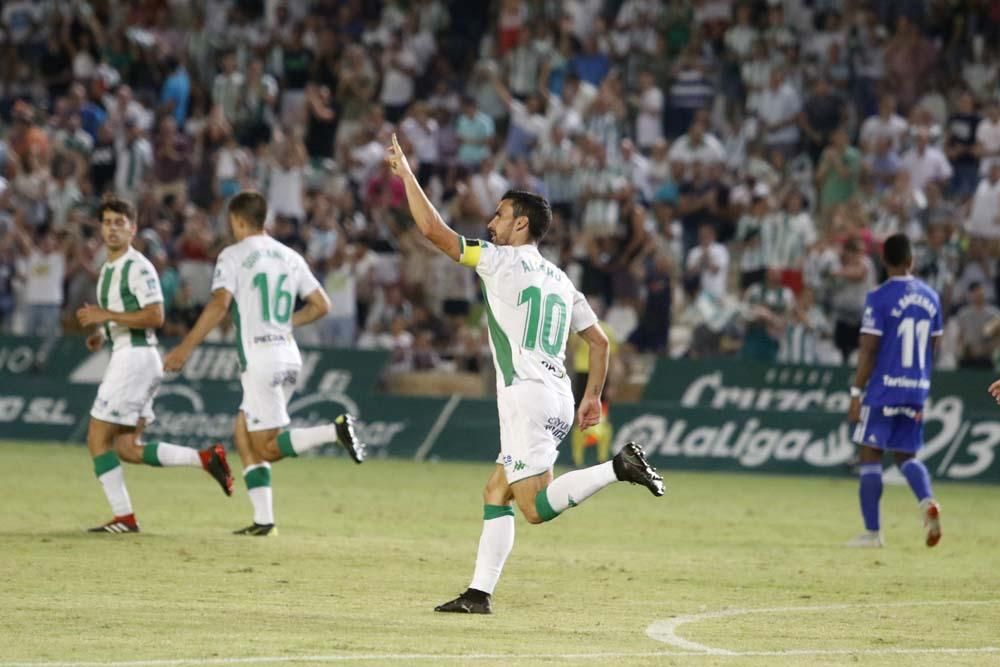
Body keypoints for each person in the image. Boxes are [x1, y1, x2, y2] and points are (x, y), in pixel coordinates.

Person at [385, 134, 663, 615]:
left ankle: (618, 467)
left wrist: (407, 175)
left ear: (522, 224)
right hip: (555, 394)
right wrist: (592, 397)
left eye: (498, 215)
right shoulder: (561, 279)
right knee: (498, 490)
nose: (490, 223)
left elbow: (433, 230)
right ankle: (478, 594)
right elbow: (598, 341)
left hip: (525, 396)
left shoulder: (498, 261)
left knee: (533, 508)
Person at [163, 192, 365, 536]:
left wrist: (185, 346)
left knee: (265, 448)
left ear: (237, 220)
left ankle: (335, 431)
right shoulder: (290, 256)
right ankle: (263, 520)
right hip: (288, 355)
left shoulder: (233, 255)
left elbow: (218, 305)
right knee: (243, 431)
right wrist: (287, 323)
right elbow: (321, 305)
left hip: (260, 360)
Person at [75, 197, 234, 534]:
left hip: (134, 360)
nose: (113, 228)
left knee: (96, 437)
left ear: (133, 228)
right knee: (127, 448)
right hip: (129, 355)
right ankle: (206, 459)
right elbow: (124, 317)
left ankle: (124, 518)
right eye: (107, 222)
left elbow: (155, 315)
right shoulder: (108, 270)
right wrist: (102, 335)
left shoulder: (138, 266)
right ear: (101, 228)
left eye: (120, 222)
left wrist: (106, 316)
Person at [846, 233, 943, 549]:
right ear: (911, 260)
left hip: (884, 389)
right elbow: (934, 346)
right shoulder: (932, 297)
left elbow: (869, 349)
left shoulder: (879, 297)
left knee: (870, 454)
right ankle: (927, 501)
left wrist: (856, 392)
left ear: (884, 260)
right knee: (907, 456)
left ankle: (873, 533)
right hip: (916, 388)